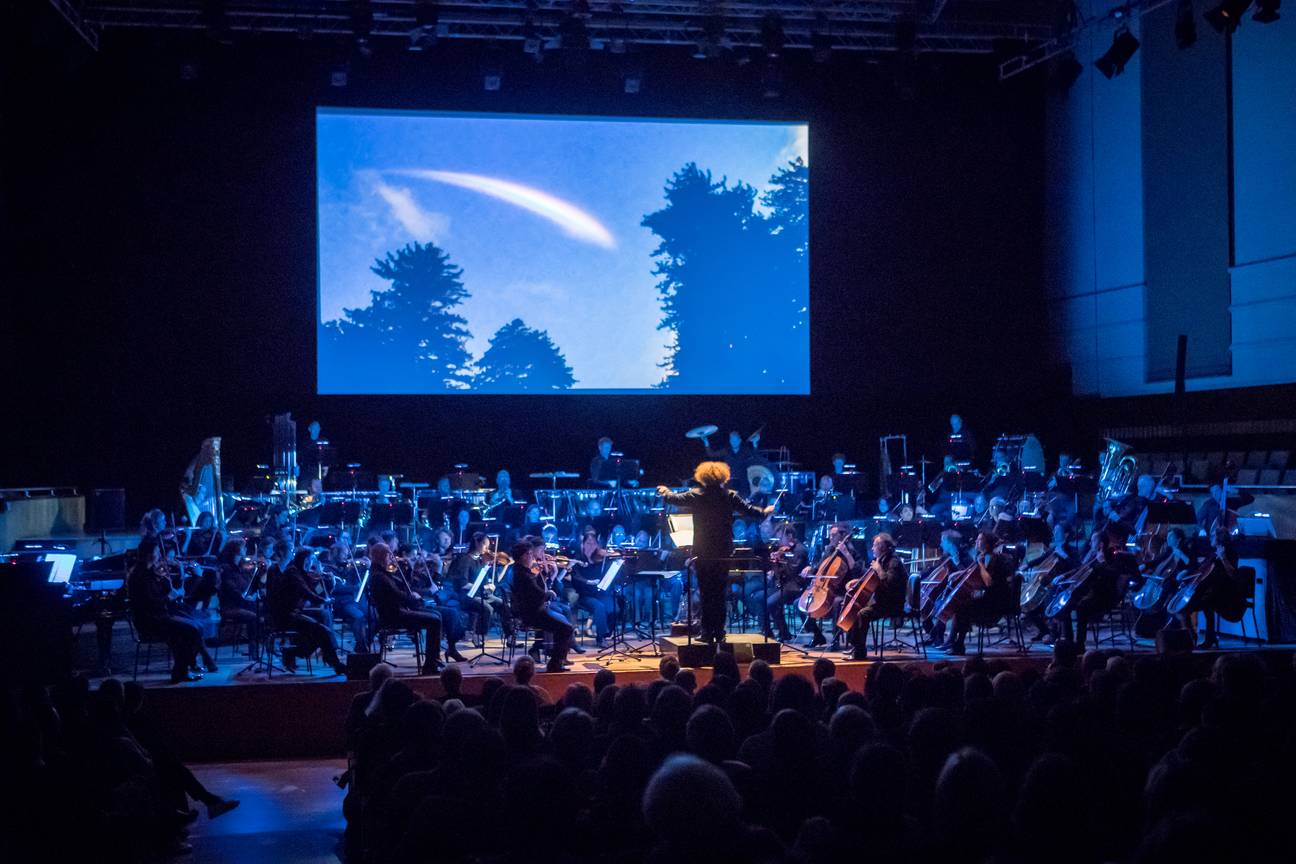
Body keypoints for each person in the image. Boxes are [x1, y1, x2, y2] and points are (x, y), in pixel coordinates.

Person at [656, 462, 774, 643]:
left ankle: (706, 633)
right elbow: (750, 511)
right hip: (723, 551)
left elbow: (674, 499)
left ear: (702, 477)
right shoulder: (730, 496)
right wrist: (765, 511)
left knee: (705, 592)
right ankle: (719, 632)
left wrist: (664, 491)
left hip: (703, 551)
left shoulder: (696, 495)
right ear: (722, 476)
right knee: (719, 592)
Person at [127, 537, 210, 684]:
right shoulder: (138, 576)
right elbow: (149, 602)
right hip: (150, 620)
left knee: (194, 628)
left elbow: (161, 592)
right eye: (157, 551)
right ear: (148, 554)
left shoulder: (150, 572)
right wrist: (169, 597)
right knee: (192, 630)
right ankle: (184, 669)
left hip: (161, 616)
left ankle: (182, 671)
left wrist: (169, 581)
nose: (159, 554)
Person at [266, 548, 347, 675]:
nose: (311, 562)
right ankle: (334, 662)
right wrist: (324, 601)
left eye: (313, 559)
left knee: (323, 617)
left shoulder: (301, 573)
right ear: (303, 559)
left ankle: (293, 652)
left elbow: (317, 591)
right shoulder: (292, 572)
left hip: (295, 613)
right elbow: (306, 592)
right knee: (322, 631)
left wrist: (328, 581)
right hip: (285, 616)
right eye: (310, 559)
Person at [368, 542, 443, 674]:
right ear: (381, 556)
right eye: (388, 556)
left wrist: (408, 570)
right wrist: (413, 597)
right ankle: (430, 665)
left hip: (398, 611)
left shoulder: (382, 572)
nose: (391, 558)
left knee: (436, 616)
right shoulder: (379, 576)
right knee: (434, 621)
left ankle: (433, 660)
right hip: (393, 616)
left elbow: (401, 587)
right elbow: (397, 594)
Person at [509, 537, 574, 672]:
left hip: (535, 609)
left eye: (532, 554)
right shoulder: (523, 575)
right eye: (529, 554)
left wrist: (547, 577)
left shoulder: (521, 571)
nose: (532, 557)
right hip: (532, 614)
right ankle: (555, 663)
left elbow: (537, 591)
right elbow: (537, 593)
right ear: (522, 556)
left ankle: (556, 658)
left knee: (564, 625)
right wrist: (549, 593)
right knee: (566, 629)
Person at [945, 532, 1015, 655]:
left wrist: (981, 564)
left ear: (987, 544)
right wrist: (957, 574)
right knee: (962, 605)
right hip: (988, 599)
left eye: (980, 540)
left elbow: (988, 582)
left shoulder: (994, 559)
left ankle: (958, 644)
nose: (976, 542)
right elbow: (971, 572)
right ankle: (954, 642)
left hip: (996, 603)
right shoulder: (983, 555)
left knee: (963, 608)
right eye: (977, 539)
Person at [841, 533, 908, 660]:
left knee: (863, 613)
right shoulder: (881, 560)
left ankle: (860, 652)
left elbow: (889, 583)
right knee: (855, 608)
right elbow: (871, 578)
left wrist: (879, 569)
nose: (872, 548)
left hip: (892, 604)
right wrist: (857, 582)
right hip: (882, 602)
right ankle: (855, 646)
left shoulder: (894, 562)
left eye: (874, 545)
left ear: (882, 547)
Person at [800, 522, 859, 649]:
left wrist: (847, 554)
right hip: (824, 589)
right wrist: (810, 568)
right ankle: (817, 636)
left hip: (844, 591)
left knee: (837, 603)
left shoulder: (853, 551)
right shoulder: (829, 550)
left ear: (842, 536)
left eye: (833, 535)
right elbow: (820, 568)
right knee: (800, 604)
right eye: (830, 535)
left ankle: (835, 640)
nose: (830, 538)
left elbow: (858, 572)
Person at [760, 524, 809, 642]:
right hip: (783, 585)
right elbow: (780, 574)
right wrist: (774, 565)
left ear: (790, 536)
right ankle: (769, 632)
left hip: (795, 587)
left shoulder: (799, 550)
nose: (779, 543)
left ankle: (784, 633)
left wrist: (779, 560)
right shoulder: (785, 551)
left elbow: (792, 572)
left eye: (781, 539)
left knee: (770, 603)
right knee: (760, 598)